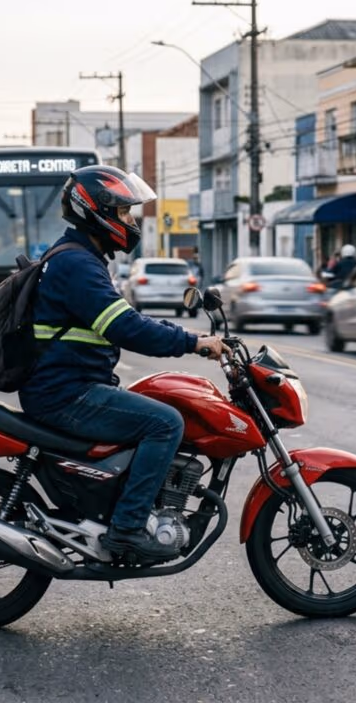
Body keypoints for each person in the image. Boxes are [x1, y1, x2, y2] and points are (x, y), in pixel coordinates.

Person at [19, 165, 226, 562]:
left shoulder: (80, 258)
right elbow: (126, 327)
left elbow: (125, 318)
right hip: (66, 394)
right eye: (124, 213)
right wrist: (193, 342)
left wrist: (186, 335)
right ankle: (127, 530)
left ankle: (118, 510)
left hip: (68, 386)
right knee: (165, 422)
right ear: (96, 211)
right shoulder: (77, 264)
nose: (130, 222)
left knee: (153, 409)